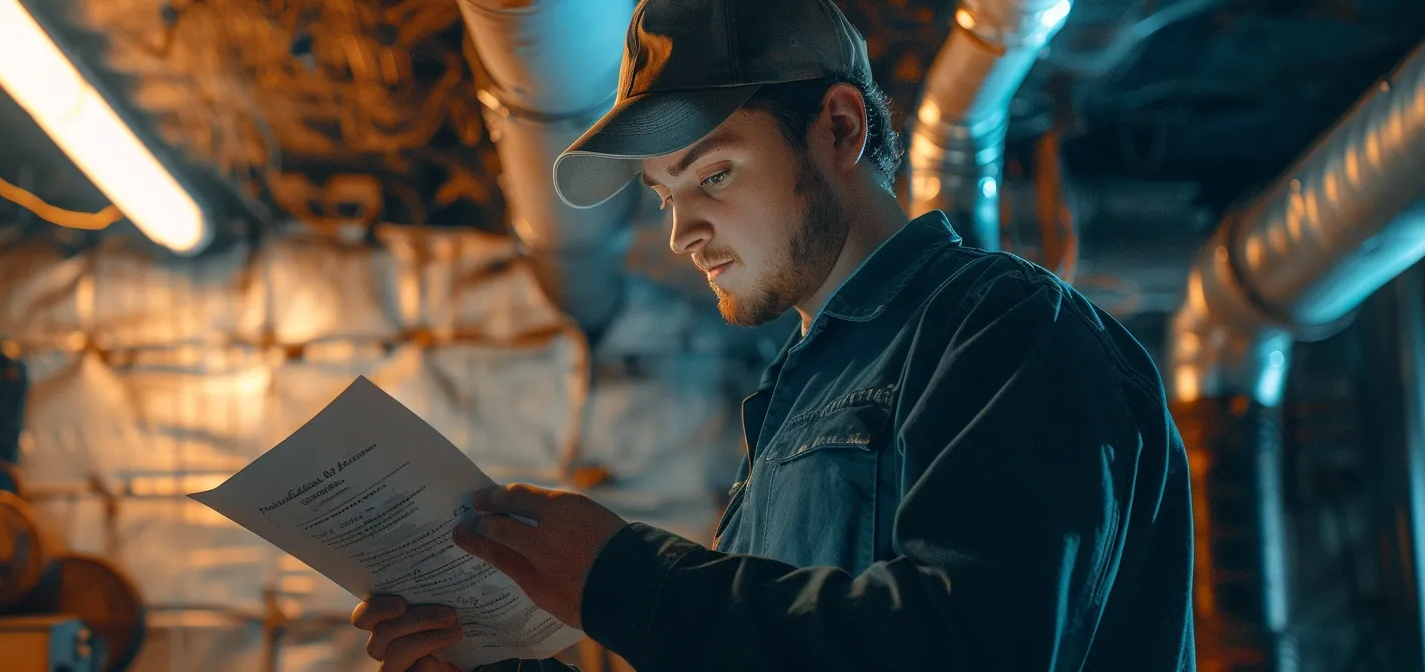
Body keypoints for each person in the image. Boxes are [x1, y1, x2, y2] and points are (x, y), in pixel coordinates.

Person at [352, 0, 1197, 668]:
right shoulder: (800, 395)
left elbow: (973, 647)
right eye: (663, 195)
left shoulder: (1003, 328)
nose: (683, 231)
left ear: (839, 129)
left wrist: (624, 582)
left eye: (713, 174)